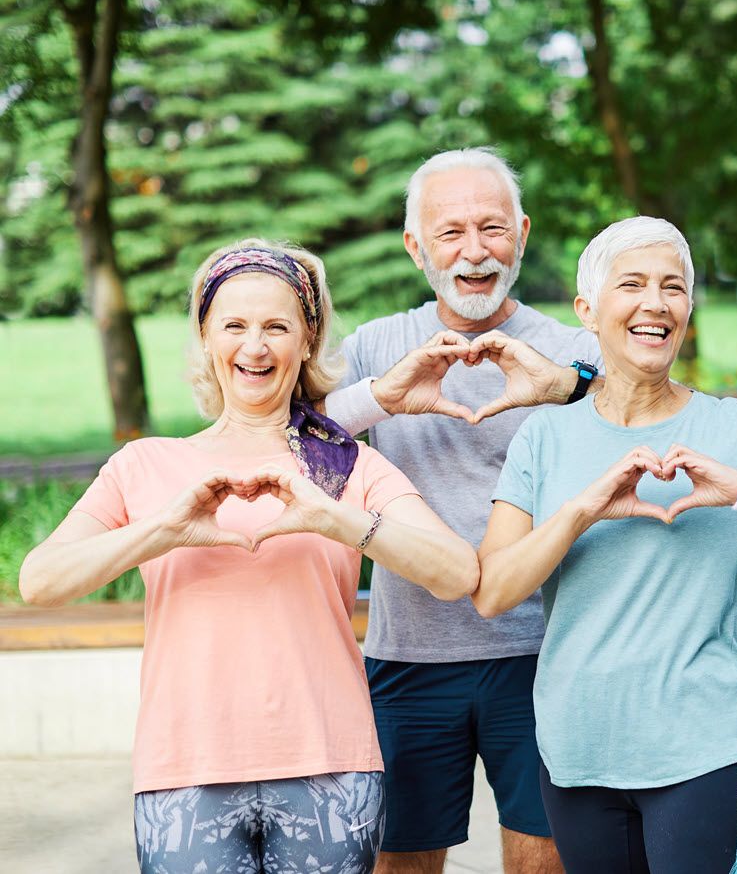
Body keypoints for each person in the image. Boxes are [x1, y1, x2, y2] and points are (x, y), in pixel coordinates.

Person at [20, 240, 479, 874]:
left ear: (308, 341)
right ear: (206, 338)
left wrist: (332, 516)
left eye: (276, 326)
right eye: (233, 325)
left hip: (330, 766)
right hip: (186, 768)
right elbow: (40, 582)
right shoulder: (145, 465)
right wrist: (164, 530)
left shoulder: (345, 466)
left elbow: (457, 573)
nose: (255, 345)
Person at [472, 216, 737, 874]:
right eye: (633, 284)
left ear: (689, 310)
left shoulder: (736, 432)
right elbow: (494, 591)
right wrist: (583, 510)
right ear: (587, 310)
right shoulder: (543, 439)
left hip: (702, 754)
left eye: (673, 287)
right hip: (577, 757)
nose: (656, 303)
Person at [322, 148, 603, 874]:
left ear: (523, 233)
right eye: (450, 233)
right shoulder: (376, 346)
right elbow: (297, 440)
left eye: (493, 228)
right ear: (416, 247)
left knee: (546, 860)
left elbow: (630, 404)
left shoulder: (572, 347)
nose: (474, 252)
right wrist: (382, 396)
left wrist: (563, 388)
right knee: (400, 863)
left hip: (542, 651)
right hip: (408, 654)